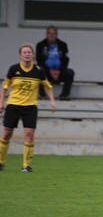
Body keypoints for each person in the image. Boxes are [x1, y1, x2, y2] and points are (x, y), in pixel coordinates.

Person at [0, 43, 56, 172]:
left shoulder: (39, 71)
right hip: (13, 105)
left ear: (33, 55)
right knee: (7, 134)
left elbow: (48, 86)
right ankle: (1, 162)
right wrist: (1, 101)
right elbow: (5, 86)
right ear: (20, 55)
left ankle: (26, 165)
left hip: (30, 107)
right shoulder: (13, 69)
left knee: (29, 134)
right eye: (24, 52)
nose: (27, 54)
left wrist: (52, 101)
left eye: (29, 52)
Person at [35, 25, 74, 100]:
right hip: (46, 73)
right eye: (50, 33)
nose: (52, 36)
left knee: (70, 72)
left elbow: (65, 60)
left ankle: (64, 95)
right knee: (38, 69)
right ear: (46, 34)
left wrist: (59, 71)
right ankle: (42, 95)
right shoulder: (40, 45)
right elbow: (39, 60)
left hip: (59, 72)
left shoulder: (63, 45)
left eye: (54, 34)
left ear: (57, 34)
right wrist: (50, 71)